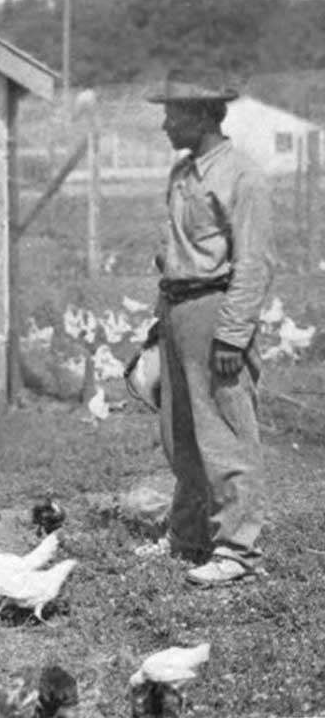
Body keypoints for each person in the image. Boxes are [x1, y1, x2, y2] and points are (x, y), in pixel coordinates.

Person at [136, 76, 273, 588]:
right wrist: (160, 317)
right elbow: (174, 252)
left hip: (217, 310)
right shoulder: (182, 172)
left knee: (225, 433)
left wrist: (233, 336)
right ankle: (189, 536)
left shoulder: (242, 177)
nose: (164, 123)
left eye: (172, 114)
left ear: (200, 115)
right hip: (177, 309)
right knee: (182, 433)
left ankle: (238, 551)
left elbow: (254, 265)